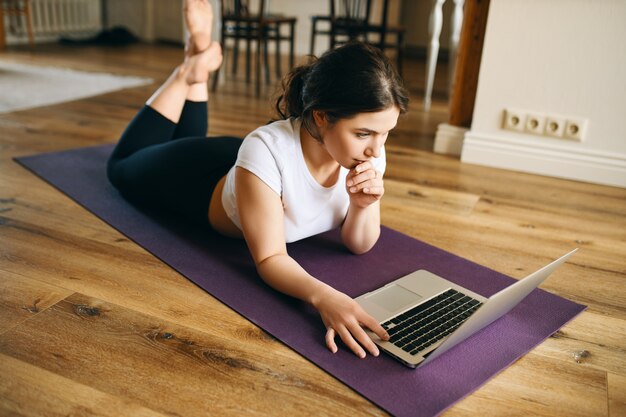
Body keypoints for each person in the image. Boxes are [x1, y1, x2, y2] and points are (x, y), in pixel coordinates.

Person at [107, 0, 409, 359]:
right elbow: (269, 258)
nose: (377, 149)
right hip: (197, 179)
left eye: (385, 133)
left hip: (250, 172)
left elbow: (359, 244)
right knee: (120, 168)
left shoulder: (367, 149)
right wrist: (323, 296)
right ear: (323, 117)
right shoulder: (266, 151)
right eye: (364, 134)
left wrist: (362, 206)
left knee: (191, 138)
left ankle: (198, 61)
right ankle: (188, 70)